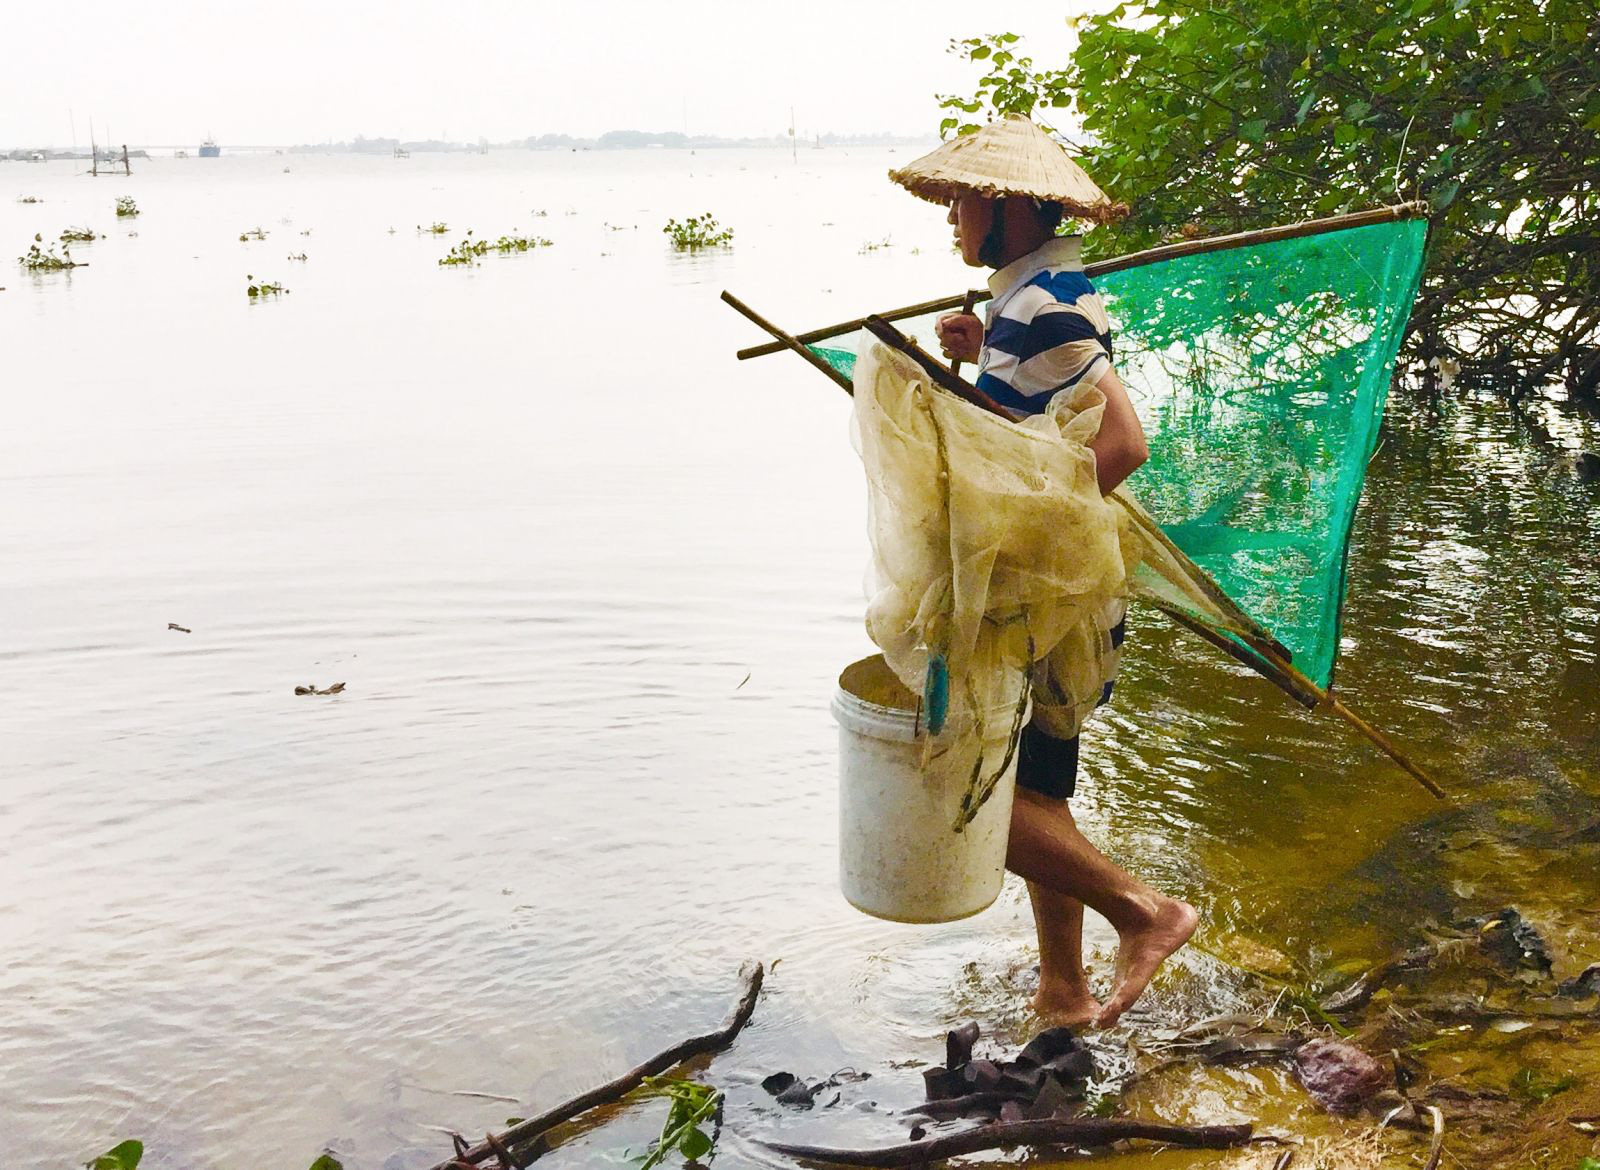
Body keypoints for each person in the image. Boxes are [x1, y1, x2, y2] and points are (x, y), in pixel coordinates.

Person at [890, 115, 1197, 1029]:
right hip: (1058, 595)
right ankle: (1064, 992)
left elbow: (1117, 443)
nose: (953, 217)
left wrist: (1032, 543)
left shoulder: (1045, 306)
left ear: (1014, 208)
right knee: (1037, 792)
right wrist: (971, 365)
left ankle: (1146, 913)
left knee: (954, 777)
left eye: (968, 200)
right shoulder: (1032, 298)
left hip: (1045, 597)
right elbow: (1031, 429)